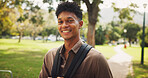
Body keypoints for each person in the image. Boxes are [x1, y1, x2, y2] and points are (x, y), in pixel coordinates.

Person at [39, 1, 112, 78]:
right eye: (60, 22)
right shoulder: (50, 56)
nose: (64, 25)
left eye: (70, 21)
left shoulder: (96, 59)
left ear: (80, 24)